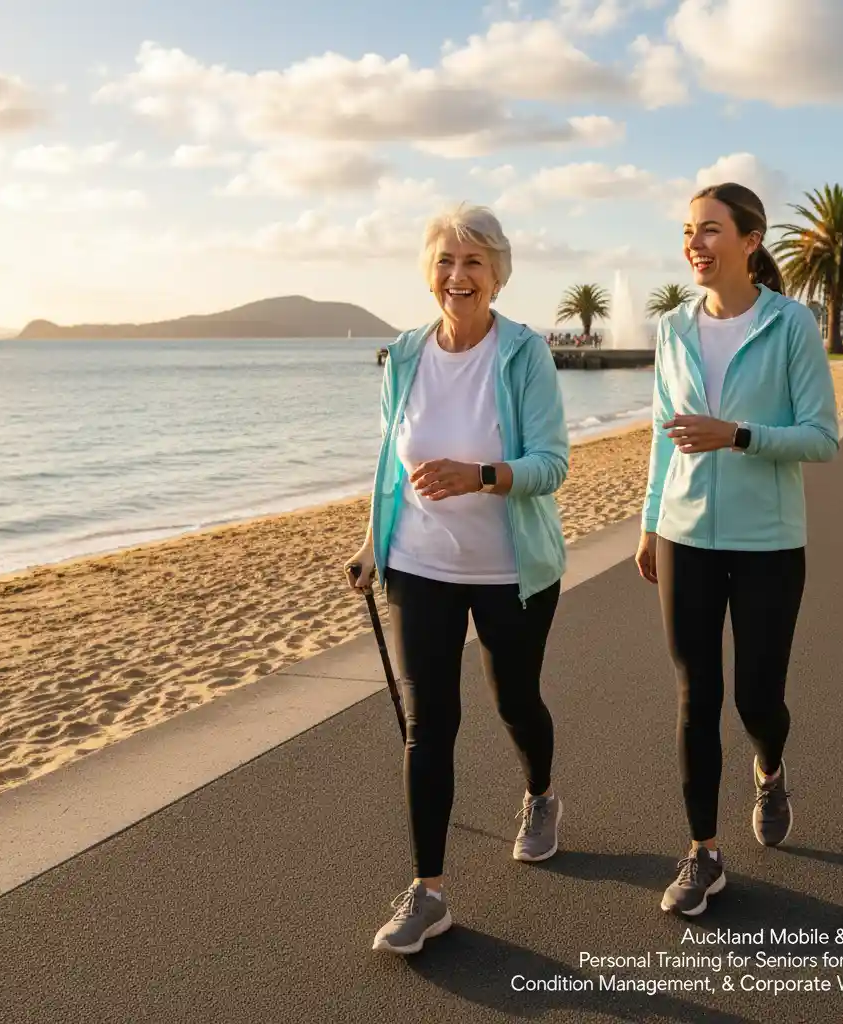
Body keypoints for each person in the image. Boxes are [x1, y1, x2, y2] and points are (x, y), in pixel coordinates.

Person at [346, 203, 569, 954]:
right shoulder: (404, 354)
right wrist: (373, 544)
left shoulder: (524, 354)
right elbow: (390, 459)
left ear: (497, 273)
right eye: (445, 260)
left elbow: (553, 465)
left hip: (510, 568)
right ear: (429, 273)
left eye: (474, 262)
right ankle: (429, 891)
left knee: (514, 701)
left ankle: (540, 795)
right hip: (419, 564)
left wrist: (478, 476)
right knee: (428, 722)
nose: (458, 275)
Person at [634, 182, 839, 918]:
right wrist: (652, 521)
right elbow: (664, 434)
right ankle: (702, 853)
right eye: (689, 230)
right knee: (696, 696)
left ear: (751, 240)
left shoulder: (791, 326)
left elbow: (822, 438)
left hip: (768, 542)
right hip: (686, 537)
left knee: (757, 697)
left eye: (711, 229)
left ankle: (770, 766)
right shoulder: (672, 328)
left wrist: (740, 435)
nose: (696, 242)